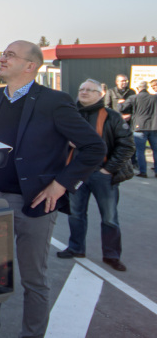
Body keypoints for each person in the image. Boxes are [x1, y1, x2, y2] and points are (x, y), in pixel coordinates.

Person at [0, 40, 106, 338]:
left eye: (10, 55)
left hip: (34, 203)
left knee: (34, 280)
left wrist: (61, 185)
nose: (1, 59)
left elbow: (94, 147)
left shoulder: (53, 101)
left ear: (30, 66)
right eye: (3, 53)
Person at [57, 79, 134, 272]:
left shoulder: (112, 116)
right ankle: (76, 248)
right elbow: (53, 141)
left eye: (89, 90)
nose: (84, 92)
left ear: (100, 94)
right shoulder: (68, 116)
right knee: (75, 214)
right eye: (81, 89)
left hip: (103, 174)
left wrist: (109, 169)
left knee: (109, 217)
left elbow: (127, 145)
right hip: (75, 174)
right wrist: (67, 143)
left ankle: (111, 255)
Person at [120, 80, 157, 178]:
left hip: (139, 127)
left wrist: (121, 103)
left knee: (140, 151)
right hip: (154, 127)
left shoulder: (133, 98)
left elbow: (122, 108)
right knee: (156, 150)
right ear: (147, 88)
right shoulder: (154, 98)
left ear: (138, 88)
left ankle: (143, 172)